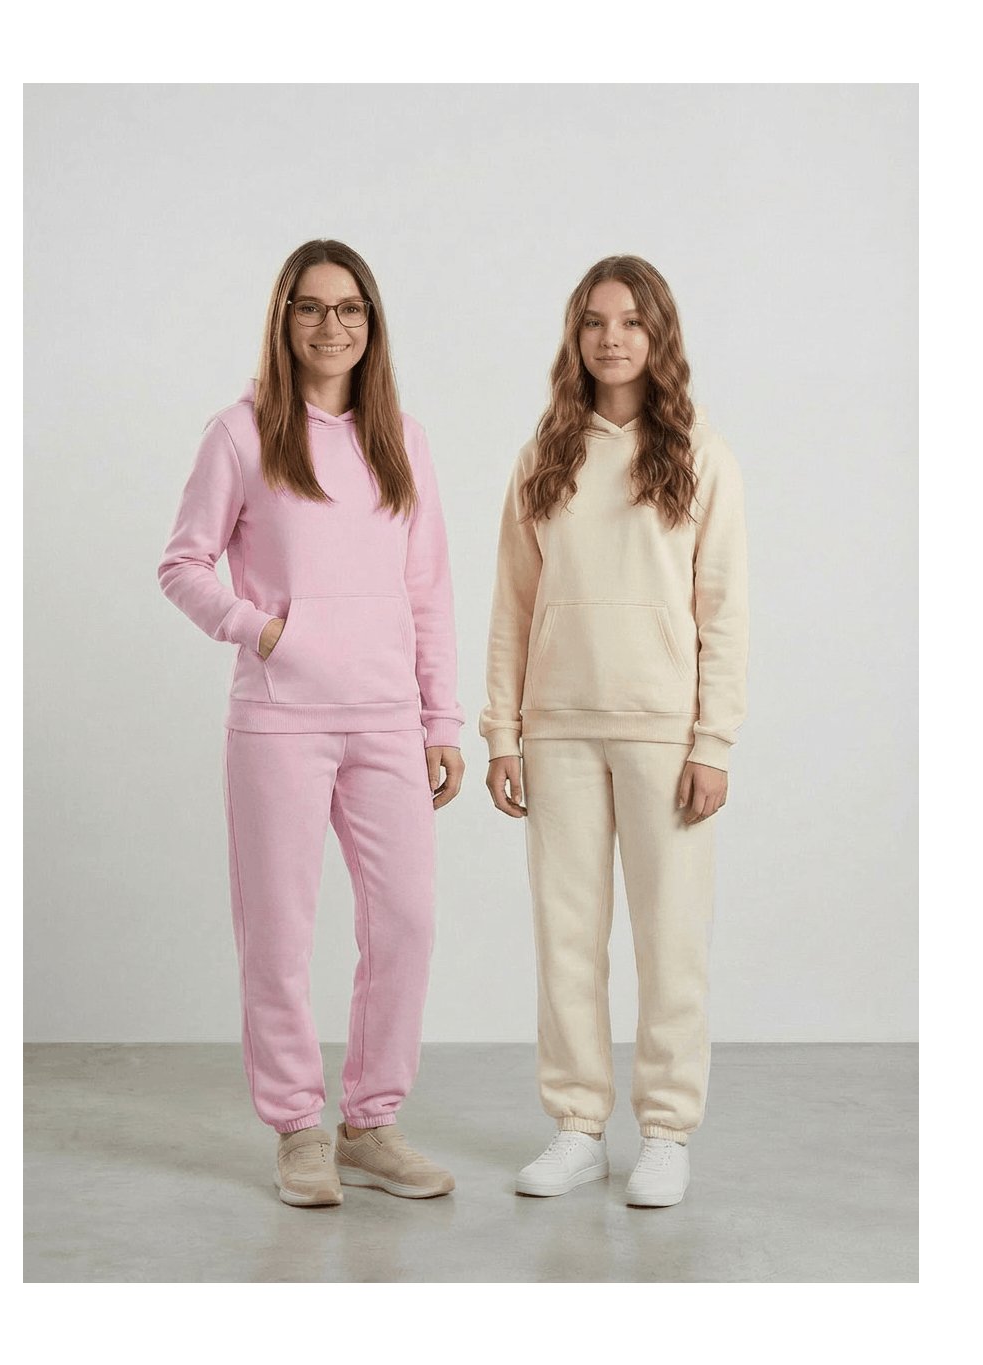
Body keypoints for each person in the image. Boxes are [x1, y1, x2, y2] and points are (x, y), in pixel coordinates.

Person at [158, 239, 464, 1207]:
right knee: (279, 933)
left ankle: (371, 1124)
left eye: (350, 308)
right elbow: (183, 564)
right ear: (284, 319)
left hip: (387, 719)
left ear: (372, 323)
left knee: (406, 922)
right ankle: (297, 1127)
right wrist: (263, 631)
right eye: (311, 307)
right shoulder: (240, 434)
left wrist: (441, 718)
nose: (332, 325)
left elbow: (428, 589)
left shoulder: (402, 438)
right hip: (280, 721)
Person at [481, 255, 748, 1207]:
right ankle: (578, 1126)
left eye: (632, 321)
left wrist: (712, 741)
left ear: (658, 334)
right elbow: (513, 606)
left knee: (671, 939)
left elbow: (724, 610)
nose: (612, 337)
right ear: (576, 335)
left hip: (662, 735)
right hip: (556, 728)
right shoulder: (543, 455)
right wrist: (502, 732)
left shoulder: (701, 454)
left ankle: (666, 1132)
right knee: (566, 937)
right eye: (595, 321)